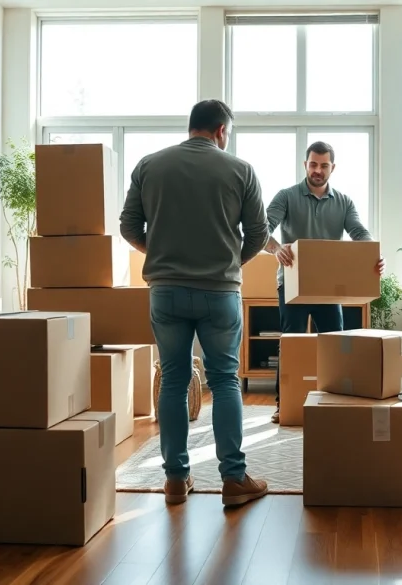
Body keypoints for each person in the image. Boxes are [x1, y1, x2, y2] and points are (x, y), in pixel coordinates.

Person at [119, 99, 271, 508]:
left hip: (165, 290)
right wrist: (229, 261)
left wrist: (162, 255)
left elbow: (128, 226)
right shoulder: (240, 170)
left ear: (193, 127)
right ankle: (233, 479)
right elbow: (259, 232)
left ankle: (174, 479)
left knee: (173, 379)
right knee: (224, 381)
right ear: (222, 130)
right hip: (220, 292)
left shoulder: (150, 165)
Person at [264, 141, 385, 424]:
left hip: (328, 288)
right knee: (291, 343)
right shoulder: (286, 196)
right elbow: (262, 230)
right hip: (292, 285)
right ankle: (285, 403)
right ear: (305, 164)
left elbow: (360, 233)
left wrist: (374, 258)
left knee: (335, 344)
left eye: (324, 165)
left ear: (333, 167)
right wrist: (276, 248)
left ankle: (335, 399)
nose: (318, 170)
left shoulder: (343, 202)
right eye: (313, 164)